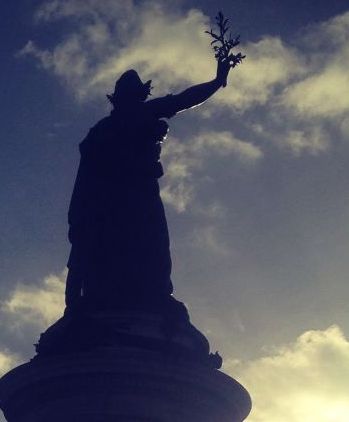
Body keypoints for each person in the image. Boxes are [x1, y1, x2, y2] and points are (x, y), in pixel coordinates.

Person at [65, 57, 231, 314]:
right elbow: (85, 176)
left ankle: (154, 293)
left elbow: (184, 99)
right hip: (114, 198)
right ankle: (116, 296)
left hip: (138, 193)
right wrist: (81, 216)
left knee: (152, 242)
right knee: (123, 245)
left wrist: (216, 81)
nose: (132, 101)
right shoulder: (103, 131)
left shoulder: (130, 119)